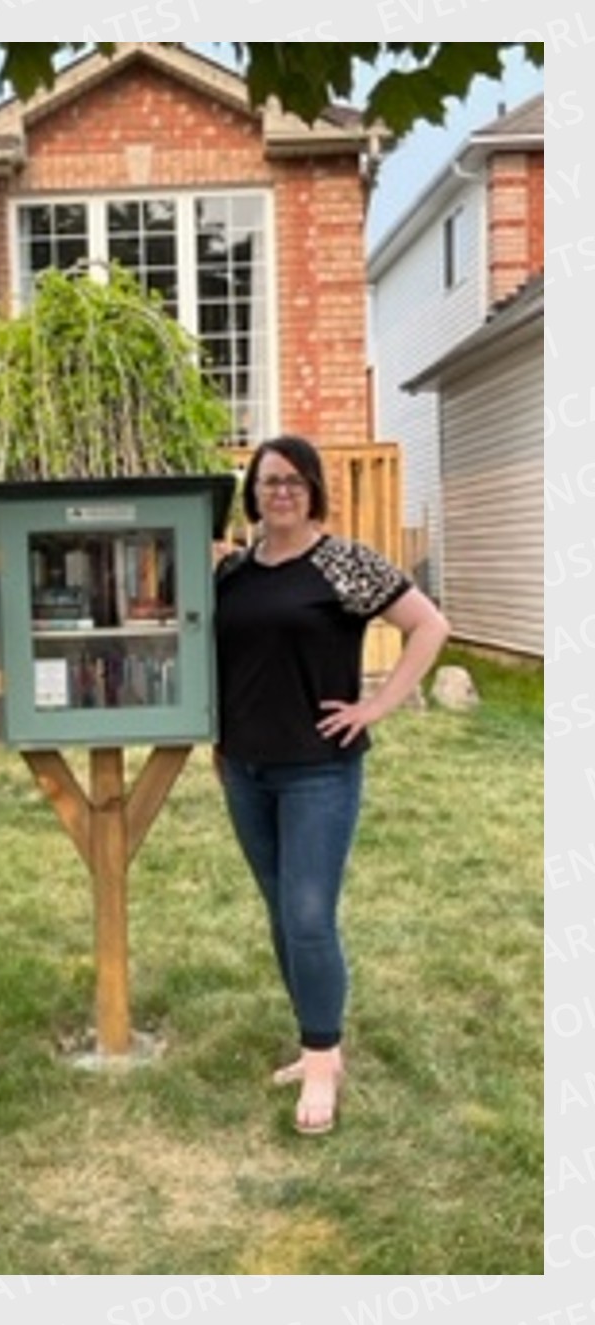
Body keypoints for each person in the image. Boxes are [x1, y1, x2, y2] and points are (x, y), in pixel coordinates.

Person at [214, 435, 450, 1136]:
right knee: (282, 914)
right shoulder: (234, 574)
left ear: (313, 489)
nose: (278, 491)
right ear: (251, 492)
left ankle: (323, 1058)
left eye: (292, 481)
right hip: (245, 769)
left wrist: (376, 705)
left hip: (319, 768)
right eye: (266, 481)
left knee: (310, 914)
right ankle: (313, 1037)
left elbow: (430, 625)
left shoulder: (343, 563)